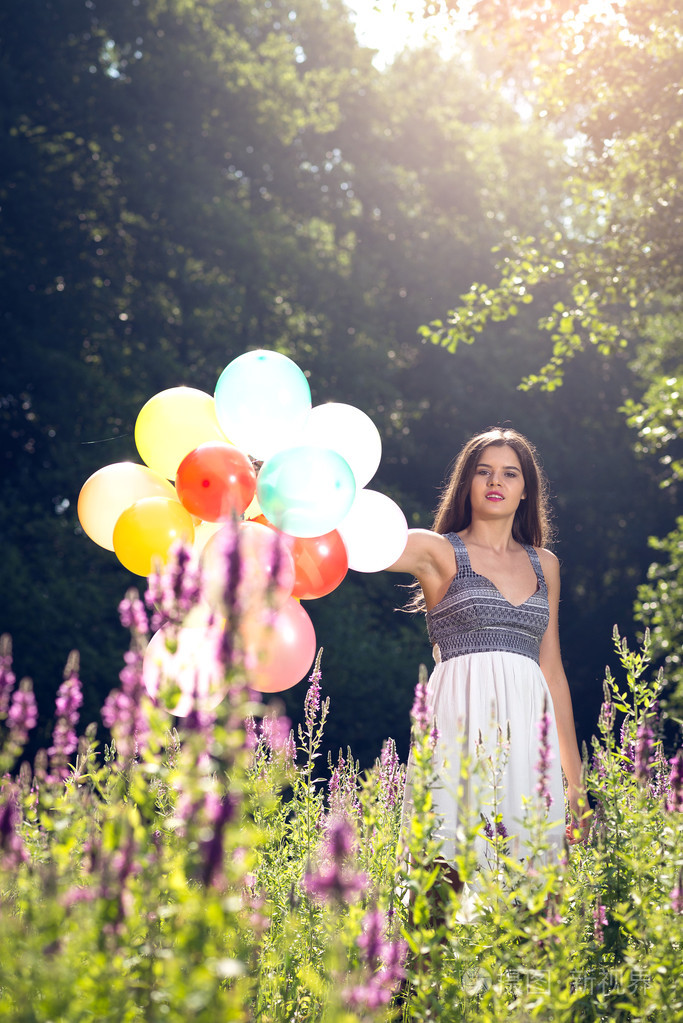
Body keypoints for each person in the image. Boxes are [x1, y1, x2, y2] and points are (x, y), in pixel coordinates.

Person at [388, 427, 589, 887]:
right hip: (458, 728)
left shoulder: (545, 564)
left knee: (527, 889)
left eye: (510, 473)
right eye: (484, 471)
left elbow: (553, 673)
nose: (496, 481)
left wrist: (576, 787)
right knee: (442, 881)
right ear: (468, 482)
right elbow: (361, 543)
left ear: (525, 490)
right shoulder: (437, 551)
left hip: (528, 739)